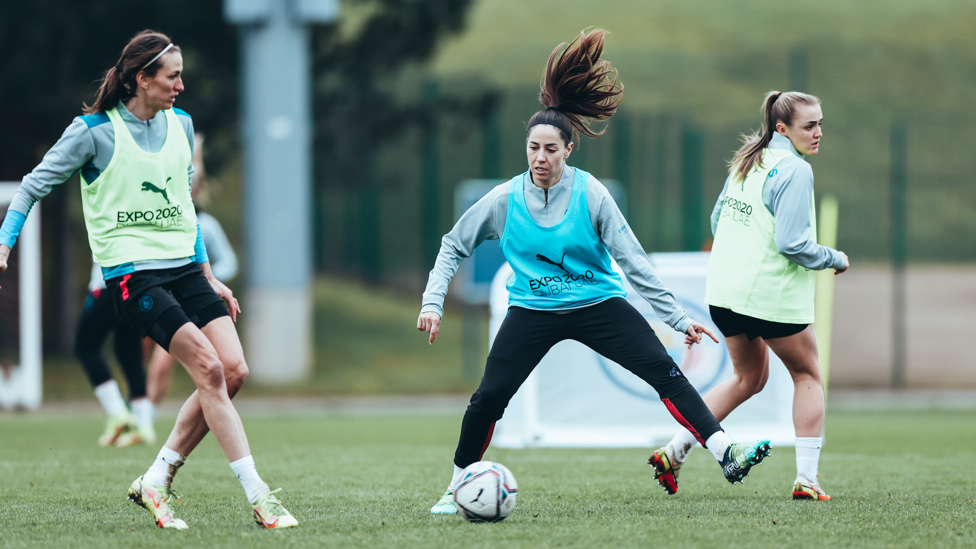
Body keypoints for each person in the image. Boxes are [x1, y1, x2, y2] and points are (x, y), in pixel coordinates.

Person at [417, 28, 773, 515]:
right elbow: (452, 245)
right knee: (488, 399)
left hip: (599, 305)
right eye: (533, 148)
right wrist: (432, 302)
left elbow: (634, 261)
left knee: (666, 374)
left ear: (568, 151)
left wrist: (675, 319)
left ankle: (724, 451)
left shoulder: (592, 195)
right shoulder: (503, 200)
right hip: (533, 310)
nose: (540, 159)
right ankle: (456, 485)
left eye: (550, 150)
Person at [0, 30, 296, 529]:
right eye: (173, 76)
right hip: (133, 277)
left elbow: (184, 211)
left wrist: (210, 276)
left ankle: (156, 478)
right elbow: (30, 189)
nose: (181, 85)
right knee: (209, 369)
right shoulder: (92, 132)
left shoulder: (182, 126)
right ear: (143, 78)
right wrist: (4, 244)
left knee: (234, 371)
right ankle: (259, 495)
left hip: (186, 268)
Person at [649, 91, 849, 502]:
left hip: (725, 293)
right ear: (782, 129)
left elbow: (718, 218)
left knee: (748, 378)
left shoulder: (748, 160)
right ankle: (807, 480)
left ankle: (673, 452)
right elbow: (793, 244)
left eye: (820, 123)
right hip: (768, 297)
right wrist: (833, 258)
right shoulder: (795, 170)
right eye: (809, 126)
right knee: (807, 374)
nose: (819, 133)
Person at [145, 133, 239, 406]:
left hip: (189, 302)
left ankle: (145, 418)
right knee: (144, 359)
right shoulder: (159, 221)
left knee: (166, 365)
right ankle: (139, 411)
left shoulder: (205, 225)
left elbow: (229, 260)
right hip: (158, 293)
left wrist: (208, 280)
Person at [75, 262, 156, 447]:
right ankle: (144, 426)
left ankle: (118, 413)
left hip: (105, 287)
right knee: (130, 355)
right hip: (133, 290)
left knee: (85, 348)